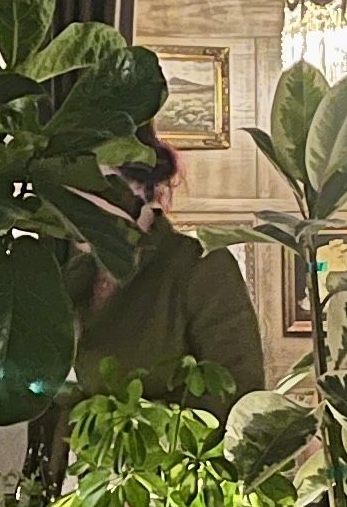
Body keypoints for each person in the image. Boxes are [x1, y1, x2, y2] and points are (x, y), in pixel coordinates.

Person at [63, 133, 265, 409]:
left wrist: (135, 421)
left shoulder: (201, 266)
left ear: (141, 187)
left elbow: (239, 398)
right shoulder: (64, 268)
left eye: (97, 189)